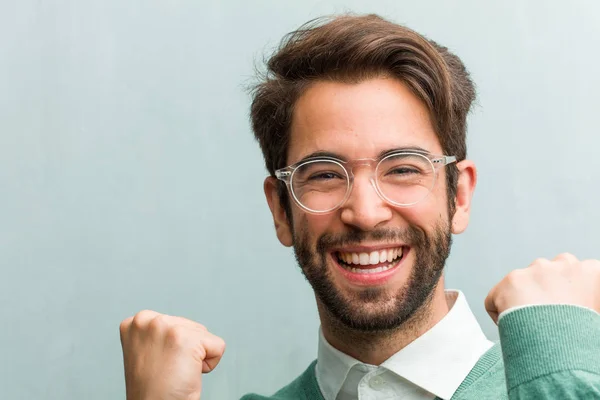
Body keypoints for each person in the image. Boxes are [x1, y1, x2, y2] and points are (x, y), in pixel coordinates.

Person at [118, 14, 600, 400]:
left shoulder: (565, 373)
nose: (366, 213)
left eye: (404, 168)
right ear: (281, 211)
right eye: (325, 174)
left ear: (458, 195)